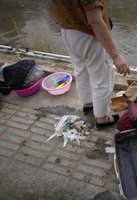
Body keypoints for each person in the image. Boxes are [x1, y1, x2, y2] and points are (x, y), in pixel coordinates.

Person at [52, 0, 130, 131]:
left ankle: (88, 104)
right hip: (89, 34)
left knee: (81, 70)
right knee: (101, 78)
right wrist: (115, 55)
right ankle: (101, 118)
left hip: (68, 31)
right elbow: (94, 20)